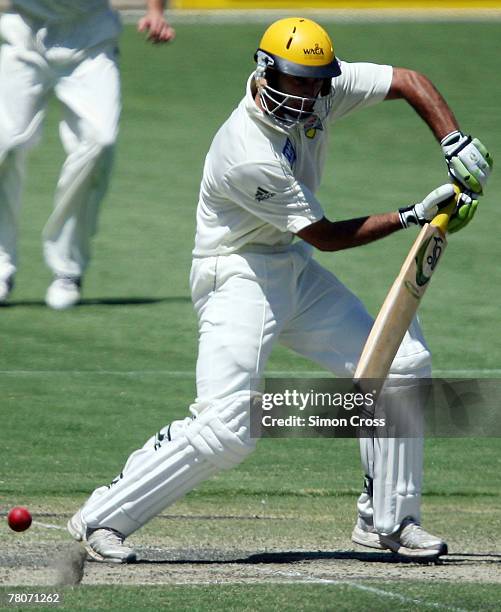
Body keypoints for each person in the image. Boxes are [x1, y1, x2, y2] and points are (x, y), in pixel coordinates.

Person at [67, 17, 491, 562]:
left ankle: (388, 521)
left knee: (401, 365)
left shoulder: (320, 90)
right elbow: (327, 235)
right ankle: (101, 516)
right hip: (235, 275)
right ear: (267, 73)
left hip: (291, 266)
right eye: (299, 83)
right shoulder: (246, 150)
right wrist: (413, 214)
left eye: (319, 83)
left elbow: (408, 79)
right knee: (228, 430)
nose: (311, 95)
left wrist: (452, 140)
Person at [0, 0, 175, 309]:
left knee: (100, 141)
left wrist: (156, 11)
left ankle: (67, 268)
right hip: (23, 28)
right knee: (6, 144)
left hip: (90, 33)